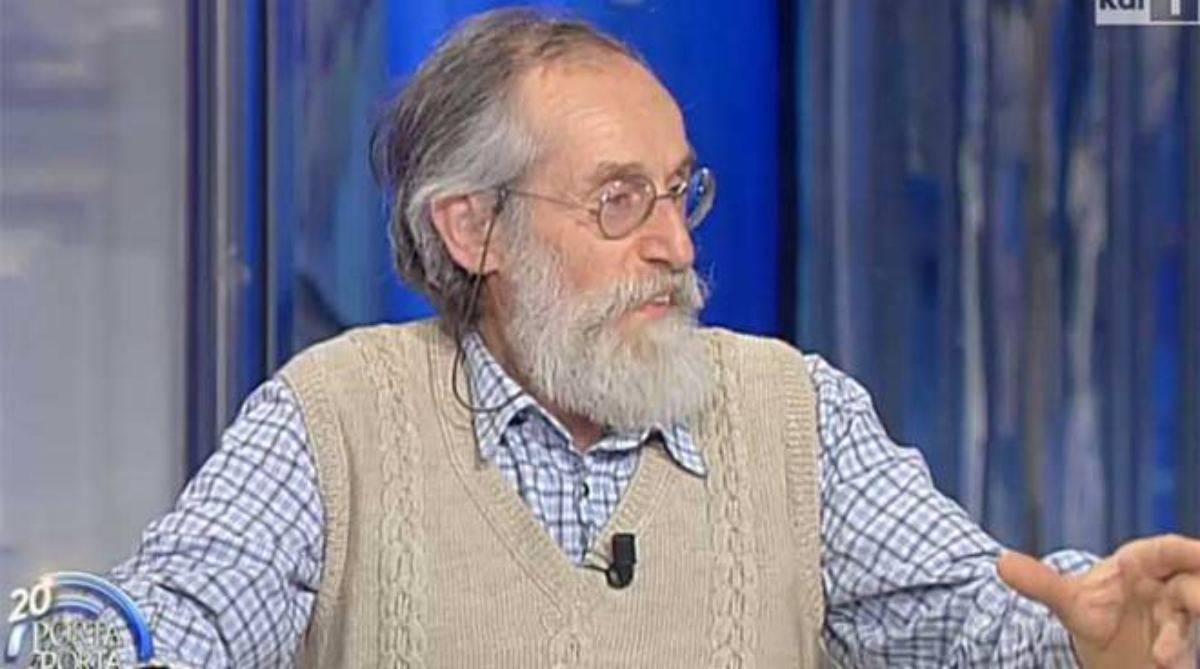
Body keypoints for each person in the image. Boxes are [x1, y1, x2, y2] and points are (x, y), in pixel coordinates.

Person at [109, 8, 1199, 668]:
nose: (676, 244)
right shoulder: (337, 418)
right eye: (618, 201)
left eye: (680, 191)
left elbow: (964, 619)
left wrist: (1092, 634)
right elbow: (181, 618)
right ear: (473, 228)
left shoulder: (794, 414)